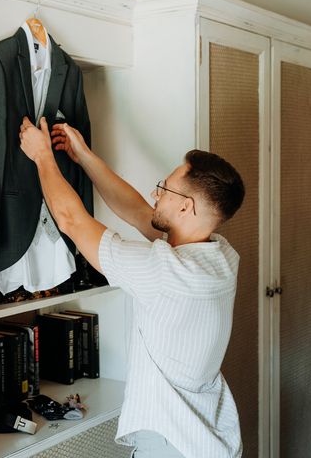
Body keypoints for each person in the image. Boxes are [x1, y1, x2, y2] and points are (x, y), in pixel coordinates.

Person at [19, 116, 245, 458]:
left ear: (186, 207)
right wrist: (85, 157)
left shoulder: (164, 271)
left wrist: (42, 156)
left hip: (172, 444)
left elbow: (71, 221)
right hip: (209, 439)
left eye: (164, 188)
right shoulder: (221, 257)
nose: (156, 192)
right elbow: (140, 212)